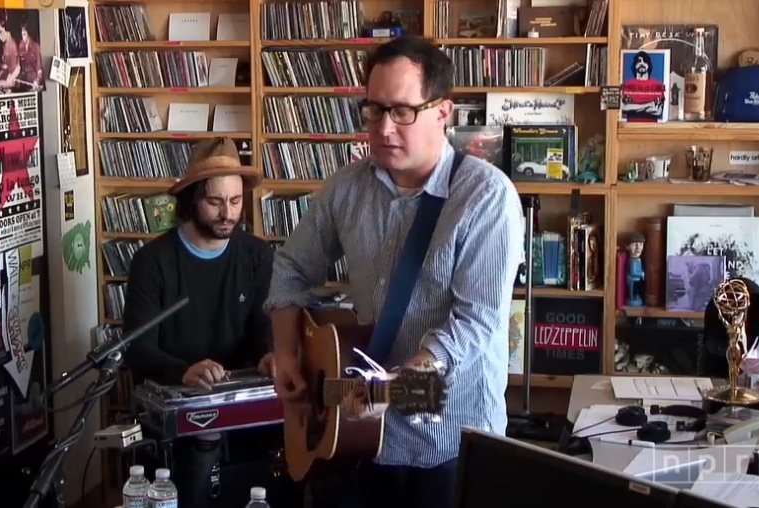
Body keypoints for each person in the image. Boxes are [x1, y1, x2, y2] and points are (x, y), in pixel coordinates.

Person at [263, 36, 524, 508]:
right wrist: (285, 353)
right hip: (359, 435)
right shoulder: (347, 188)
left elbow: (475, 325)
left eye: (402, 111)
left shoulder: (487, 196)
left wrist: (397, 386)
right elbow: (290, 266)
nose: (383, 128)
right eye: (374, 109)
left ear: (443, 112)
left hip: (448, 434)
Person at [123, 137, 276, 508]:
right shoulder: (152, 261)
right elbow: (137, 348)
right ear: (191, 200)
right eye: (215, 202)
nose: (228, 213)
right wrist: (184, 371)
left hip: (243, 408)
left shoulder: (257, 256)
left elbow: (262, 323)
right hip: (178, 408)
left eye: (236, 201)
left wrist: (271, 353)